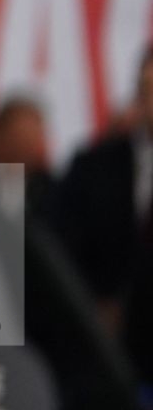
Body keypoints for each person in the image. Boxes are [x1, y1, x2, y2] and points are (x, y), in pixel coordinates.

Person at [57, 43, 153, 386]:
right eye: (147, 88)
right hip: (104, 354)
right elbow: (61, 248)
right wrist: (88, 306)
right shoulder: (93, 166)